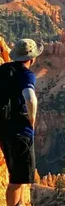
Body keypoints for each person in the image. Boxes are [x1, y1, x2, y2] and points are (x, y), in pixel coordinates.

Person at [0, 38, 43, 206]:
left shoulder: (3, 69)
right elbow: (30, 98)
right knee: (17, 179)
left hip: (3, 128)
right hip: (19, 132)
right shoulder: (26, 74)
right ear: (31, 58)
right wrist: (31, 120)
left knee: (17, 174)